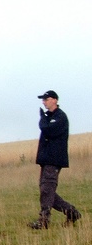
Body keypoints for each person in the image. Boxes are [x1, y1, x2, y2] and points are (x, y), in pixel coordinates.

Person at [30, 91, 81, 229]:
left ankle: (44, 220)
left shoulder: (60, 117)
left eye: (46, 99)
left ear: (55, 100)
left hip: (54, 159)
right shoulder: (49, 117)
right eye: (43, 99)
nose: (44, 102)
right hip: (47, 159)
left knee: (47, 189)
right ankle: (71, 212)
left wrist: (42, 119)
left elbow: (48, 130)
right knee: (46, 190)